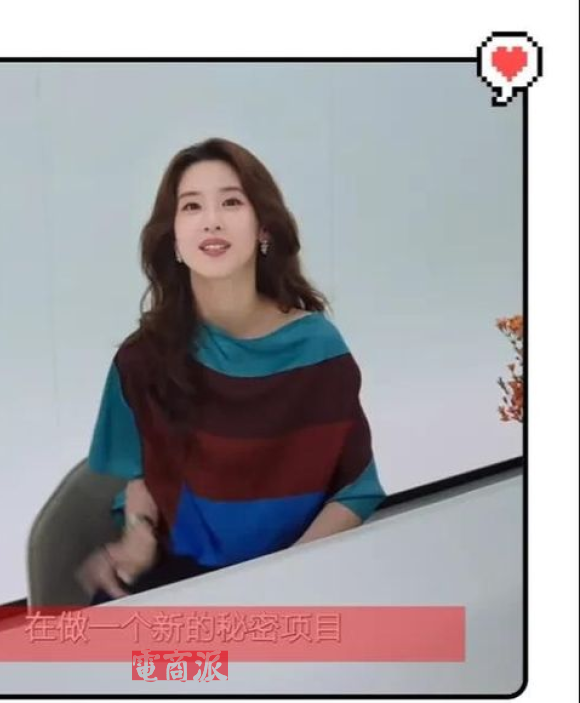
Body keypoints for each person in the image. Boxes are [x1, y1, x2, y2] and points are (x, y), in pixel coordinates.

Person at [75, 137, 386, 604]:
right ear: (174, 239)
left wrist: (283, 581)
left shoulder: (318, 349)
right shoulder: (143, 360)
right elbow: (142, 474)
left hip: (295, 577)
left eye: (231, 202)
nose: (212, 220)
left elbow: (355, 490)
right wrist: (137, 534)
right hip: (181, 577)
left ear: (264, 229)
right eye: (191, 206)